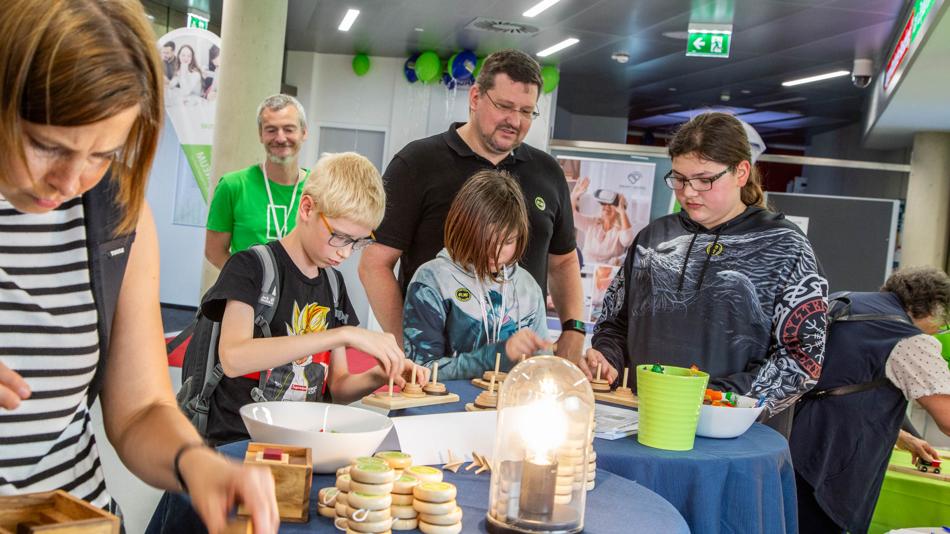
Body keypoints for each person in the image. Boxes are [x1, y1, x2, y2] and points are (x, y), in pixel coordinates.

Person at [0, 1, 278, 532]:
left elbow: (140, 409)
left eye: (103, 154)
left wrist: (196, 463)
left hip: (83, 517)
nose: (71, 180)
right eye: (44, 146)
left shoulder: (116, 213)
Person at [585, 112, 828, 423]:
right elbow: (614, 324)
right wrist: (607, 358)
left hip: (731, 436)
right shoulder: (652, 238)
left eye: (704, 180)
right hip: (639, 423)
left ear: (741, 172)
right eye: (679, 178)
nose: (688, 192)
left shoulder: (786, 246)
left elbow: (802, 358)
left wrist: (717, 397)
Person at [359, 49, 587, 366]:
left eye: (526, 111)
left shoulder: (547, 172)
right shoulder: (417, 162)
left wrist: (574, 329)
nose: (515, 121)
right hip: (439, 376)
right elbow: (374, 264)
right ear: (476, 96)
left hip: (515, 379)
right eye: (504, 106)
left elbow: (563, 262)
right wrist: (410, 350)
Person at [203, 152, 426, 445]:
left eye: (359, 242)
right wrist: (341, 335)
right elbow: (233, 358)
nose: (346, 252)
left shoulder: (334, 285)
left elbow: (337, 388)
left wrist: (381, 374)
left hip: (305, 444)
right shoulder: (251, 266)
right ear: (307, 208)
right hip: (240, 444)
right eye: (341, 236)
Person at [791, 267, 950, 533]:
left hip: (790, 442)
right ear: (933, 309)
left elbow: (843, 383)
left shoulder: (844, 301)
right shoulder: (910, 340)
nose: (937, 331)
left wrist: (903, 436)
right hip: (832, 464)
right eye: (942, 324)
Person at [403, 170, 550, 380]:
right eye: (487, 240)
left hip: (510, 408)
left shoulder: (527, 286)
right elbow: (420, 371)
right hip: (445, 410)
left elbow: (542, 364)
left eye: (508, 241)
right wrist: (499, 355)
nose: (496, 252)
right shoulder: (432, 280)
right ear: (465, 228)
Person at [205, 94, 309, 269]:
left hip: (301, 296)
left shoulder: (320, 189)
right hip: (245, 295)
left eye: (289, 129)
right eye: (271, 130)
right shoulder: (233, 186)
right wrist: (245, 284)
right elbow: (214, 251)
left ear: (304, 132)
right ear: (261, 134)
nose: (281, 138)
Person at [570, 176, 634, 266]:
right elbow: (571, 216)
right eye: (604, 203)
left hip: (608, 272)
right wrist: (574, 196)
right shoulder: (592, 223)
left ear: (618, 210)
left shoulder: (619, 230)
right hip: (585, 268)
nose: (606, 207)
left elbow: (627, 240)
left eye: (611, 204)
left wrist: (622, 211)